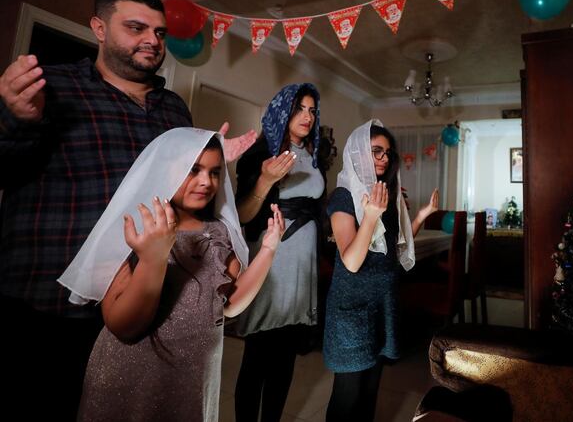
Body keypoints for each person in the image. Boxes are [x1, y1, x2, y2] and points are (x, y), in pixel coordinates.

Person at [0, 0, 256, 420]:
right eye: (136, 28)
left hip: (143, 298)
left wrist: (209, 165)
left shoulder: (173, 107)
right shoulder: (53, 85)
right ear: (99, 28)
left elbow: (178, 198)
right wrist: (15, 119)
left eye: (159, 32)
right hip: (50, 305)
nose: (153, 41)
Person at [58, 128, 283, 421]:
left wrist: (267, 251)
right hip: (132, 378)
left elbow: (228, 306)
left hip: (190, 381)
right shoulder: (137, 228)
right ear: (166, 170)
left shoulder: (219, 233)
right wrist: (154, 258)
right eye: (194, 169)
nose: (206, 182)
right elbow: (123, 325)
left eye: (215, 172)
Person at [324, 120, 438, 421]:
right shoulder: (343, 197)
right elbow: (351, 261)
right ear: (358, 152)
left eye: (387, 152)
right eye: (376, 151)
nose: (383, 158)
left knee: (370, 391)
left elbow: (397, 244)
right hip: (352, 308)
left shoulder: (385, 197)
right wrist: (371, 216)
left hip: (382, 304)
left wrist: (422, 215)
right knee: (348, 395)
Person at [233, 83, 325, 422]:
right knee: (258, 354)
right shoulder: (260, 154)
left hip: (303, 265)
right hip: (272, 261)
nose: (307, 116)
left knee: (286, 356)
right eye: (300, 108)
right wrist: (264, 181)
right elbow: (242, 215)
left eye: (312, 110)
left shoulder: (315, 155)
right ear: (283, 111)